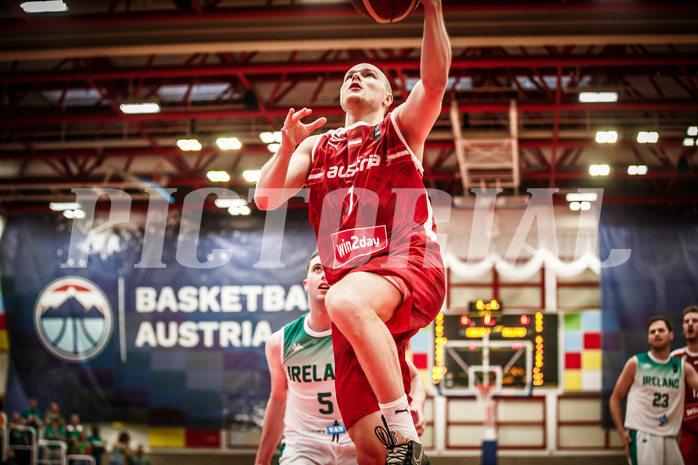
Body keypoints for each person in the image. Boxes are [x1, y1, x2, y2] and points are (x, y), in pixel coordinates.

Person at [254, 2, 450, 464]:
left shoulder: (398, 129)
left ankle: (406, 440)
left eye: (368, 74)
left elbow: (436, 82)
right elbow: (266, 197)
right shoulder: (314, 146)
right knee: (366, 445)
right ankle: (394, 443)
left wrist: (433, 9)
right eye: (348, 76)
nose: (355, 77)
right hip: (360, 294)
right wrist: (284, 150)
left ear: (388, 97)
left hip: (410, 263)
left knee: (343, 301)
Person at [255, 252, 427, 465]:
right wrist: (261, 462)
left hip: (355, 442)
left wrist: (417, 405)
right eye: (317, 269)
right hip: (304, 445)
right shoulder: (280, 342)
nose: (324, 275)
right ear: (306, 284)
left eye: (329, 270)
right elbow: (278, 400)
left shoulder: (360, 334)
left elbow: (415, 377)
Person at [610, 315, 698, 465]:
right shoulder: (636, 363)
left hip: (670, 437)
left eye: (661, 330)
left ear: (671, 335)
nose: (656, 334)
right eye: (652, 332)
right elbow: (615, 398)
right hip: (643, 435)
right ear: (648, 338)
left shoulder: (683, 368)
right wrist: (621, 431)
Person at [671, 305, 698, 465]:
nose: (690, 324)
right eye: (686, 321)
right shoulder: (676, 358)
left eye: (695, 321)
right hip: (687, 431)